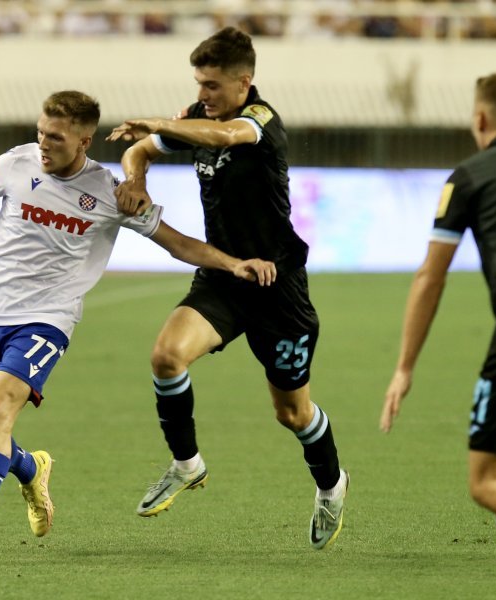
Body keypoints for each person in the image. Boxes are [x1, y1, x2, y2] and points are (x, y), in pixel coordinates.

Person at [0, 90, 276, 542]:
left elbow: (177, 242)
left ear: (84, 141)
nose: (43, 144)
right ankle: (30, 467)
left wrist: (234, 263)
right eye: (40, 132)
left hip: (45, 322)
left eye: (55, 137)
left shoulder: (111, 193)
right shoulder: (15, 163)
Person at [106, 26, 349, 550]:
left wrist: (160, 122)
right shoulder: (198, 118)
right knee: (167, 356)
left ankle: (331, 484)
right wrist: (137, 179)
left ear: (244, 82)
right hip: (225, 275)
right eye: (198, 83)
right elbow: (138, 153)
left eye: (212, 85)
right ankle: (186, 463)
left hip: (278, 288)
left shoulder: (259, 121)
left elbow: (223, 137)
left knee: (292, 413)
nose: (202, 95)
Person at [381, 71, 496, 598]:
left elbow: (431, 276)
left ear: (480, 119)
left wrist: (405, 367)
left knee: (487, 480)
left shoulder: (471, 174)